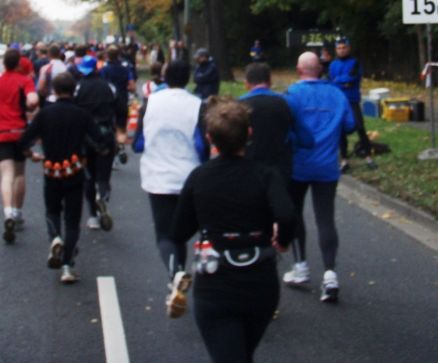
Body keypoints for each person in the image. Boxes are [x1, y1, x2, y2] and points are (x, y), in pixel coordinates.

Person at [170, 98, 295, 363]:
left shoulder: (199, 177)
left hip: (215, 287)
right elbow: (286, 214)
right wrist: (282, 239)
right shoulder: (266, 175)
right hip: (260, 285)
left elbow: (179, 232)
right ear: (249, 134)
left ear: (210, 138)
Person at [133, 58, 207, 318]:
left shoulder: (150, 102)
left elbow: (138, 143)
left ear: (164, 77)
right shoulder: (198, 105)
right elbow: (203, 145)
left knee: (165, 235)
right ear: (188, 78)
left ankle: (175, 273)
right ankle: (176, 278)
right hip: (190, 176)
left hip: (158, 176)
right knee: (182, 233)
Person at [283, 52, 355, 303]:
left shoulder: (291, 94)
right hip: (326, 166)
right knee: (325, 218)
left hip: (298, 165)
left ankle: (301, 265)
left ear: (298, 69)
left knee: (294, 214)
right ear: (321, 69)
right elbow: (349, 126)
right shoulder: (337, 94)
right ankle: (330, 275)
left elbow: (286, 128)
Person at [18, 72, 98, 283]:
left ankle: (55, 238)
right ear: (74, 90)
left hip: (51, 170)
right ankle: (68, 267)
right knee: (72, 221)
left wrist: (32, 155)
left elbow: (24, 140)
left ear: (53, 90)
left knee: (52, 211)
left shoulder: (45, 114)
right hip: (74, 171)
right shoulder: (83, 115)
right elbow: (98, 141)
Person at [0, 47, 39, 243]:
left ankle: (7, 213)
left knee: (7, 174)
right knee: (20, 174)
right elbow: (33, 100)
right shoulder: (24, 80)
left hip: (2, 131)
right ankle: (17, 211)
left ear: (3, 63)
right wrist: (29, 105)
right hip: (20, 131)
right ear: (19, 64)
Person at [74, 55, 124, 231]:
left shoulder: (78, 88)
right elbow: (121, 108)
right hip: (105, 134)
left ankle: (93, 216)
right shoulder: (108, 87)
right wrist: (120, 129)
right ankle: (102, 195)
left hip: (85, 136)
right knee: (103, 175)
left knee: (88, 176)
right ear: (97, 68)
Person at [239, 62, 309, 184]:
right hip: (280, 171)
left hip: (248, 169)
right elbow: (307, 140)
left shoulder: (238, 106)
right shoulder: (287, 102)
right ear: (270, 81)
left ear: (247, 83)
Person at [329, 38, 377, 172]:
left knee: (360, 127)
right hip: (339, 100)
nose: (342, 50)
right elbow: (330, 81)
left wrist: (338, 81)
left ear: (348, 48)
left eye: (344, 48)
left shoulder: (355, 62)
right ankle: (344, 161)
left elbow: (352, 78)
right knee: (340, 130)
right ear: (336, 50)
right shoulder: (333, 64)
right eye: (339, 48)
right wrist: (342, 83)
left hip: (352, 100)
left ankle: (369, 158)